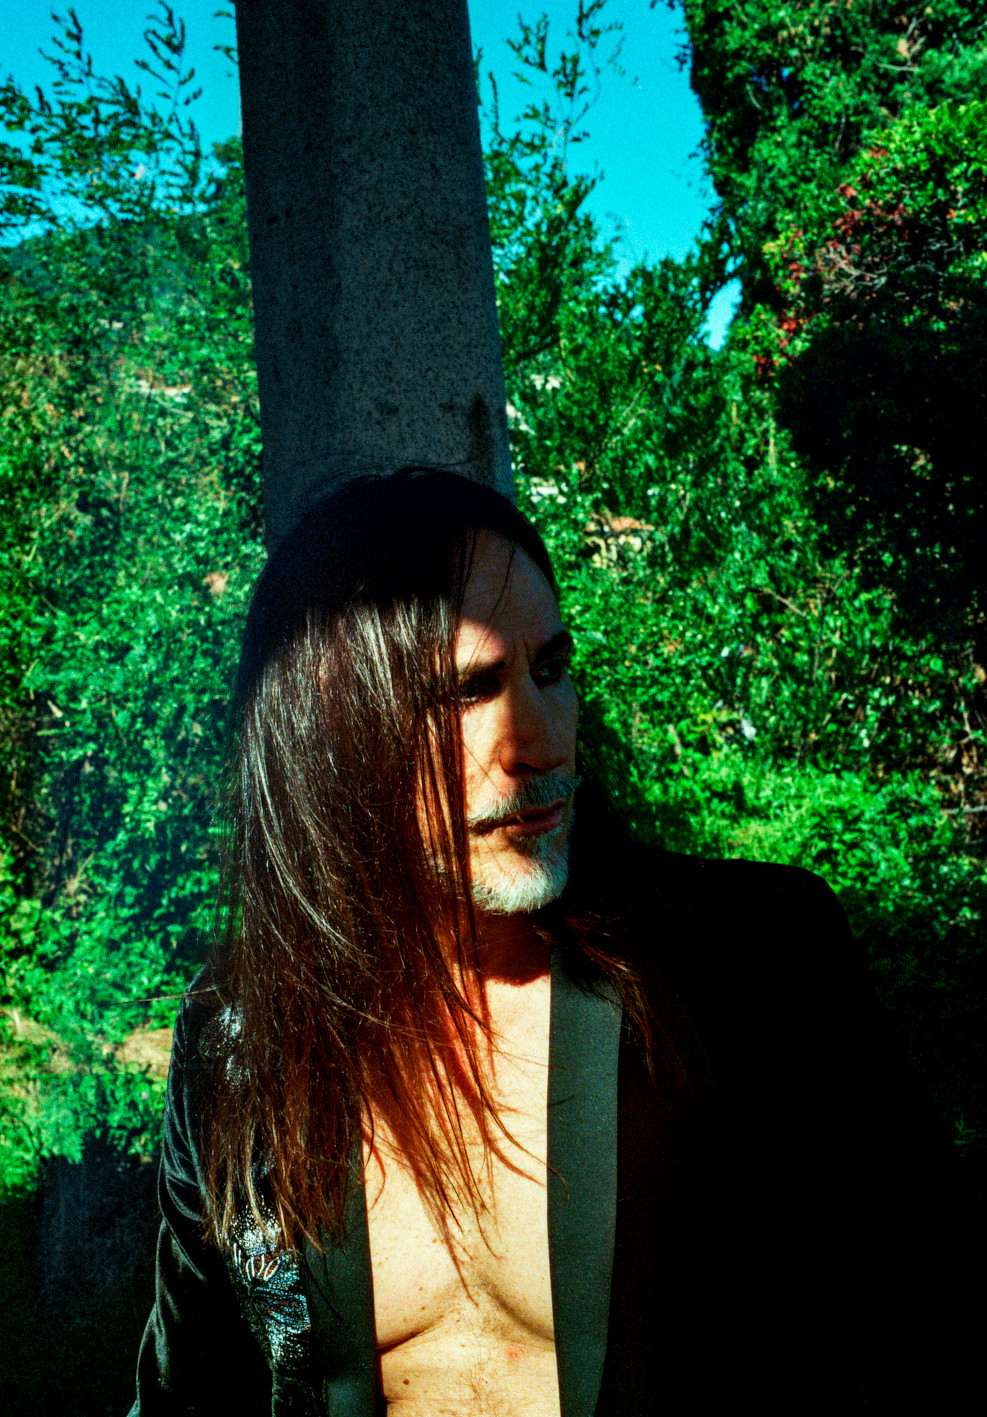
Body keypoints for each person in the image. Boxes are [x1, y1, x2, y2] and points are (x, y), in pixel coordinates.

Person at [131, 469, 975, 1416]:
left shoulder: (748, 963)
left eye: (549, 668)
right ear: (326, 729)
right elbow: (185, 1394)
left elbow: (928, 1328)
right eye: (466, 689)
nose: (537, 742)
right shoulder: (241, 1039)